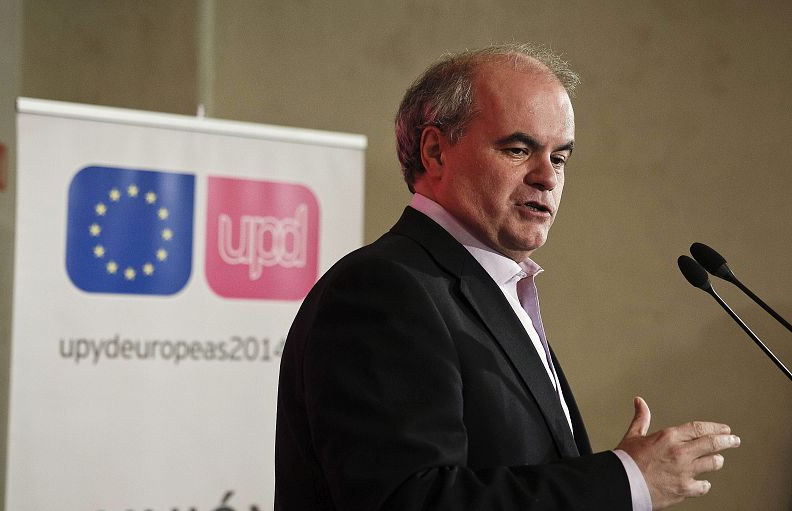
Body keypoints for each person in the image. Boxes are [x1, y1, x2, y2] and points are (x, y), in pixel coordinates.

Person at [274, 43, 740, 510]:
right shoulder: (383, 290)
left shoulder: (495, 290)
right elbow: (410, 500)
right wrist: (623, 481)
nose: (547, 178)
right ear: (435, 152)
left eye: (559, 158)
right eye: (519, 150)